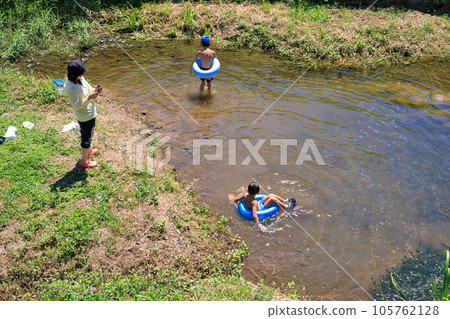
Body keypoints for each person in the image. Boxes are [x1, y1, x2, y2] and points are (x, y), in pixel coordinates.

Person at [65, 59, 102, 168]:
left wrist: (95, 90)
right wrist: (89, 98)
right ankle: (84, 161)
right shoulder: (72, 88)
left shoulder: (80, 78)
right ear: (74, 75)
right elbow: (76, 106)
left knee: (89, 133)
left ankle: (88, 150)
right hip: (85, 117)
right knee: (86, 138)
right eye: (81, 73)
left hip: (90, 113)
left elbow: (88, 89)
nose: (83, 75)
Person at [228, 182, 296, 232]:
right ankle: (286, 206)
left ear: (247, 190)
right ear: (258, 193)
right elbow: (255, 214)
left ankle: (285, 201)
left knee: (271, 195)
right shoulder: (254, 202)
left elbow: (235, 200)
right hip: (262, 208)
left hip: (260, 204)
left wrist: (231, 197)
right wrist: (259, 224)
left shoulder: (245, 195)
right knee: (272, 199)